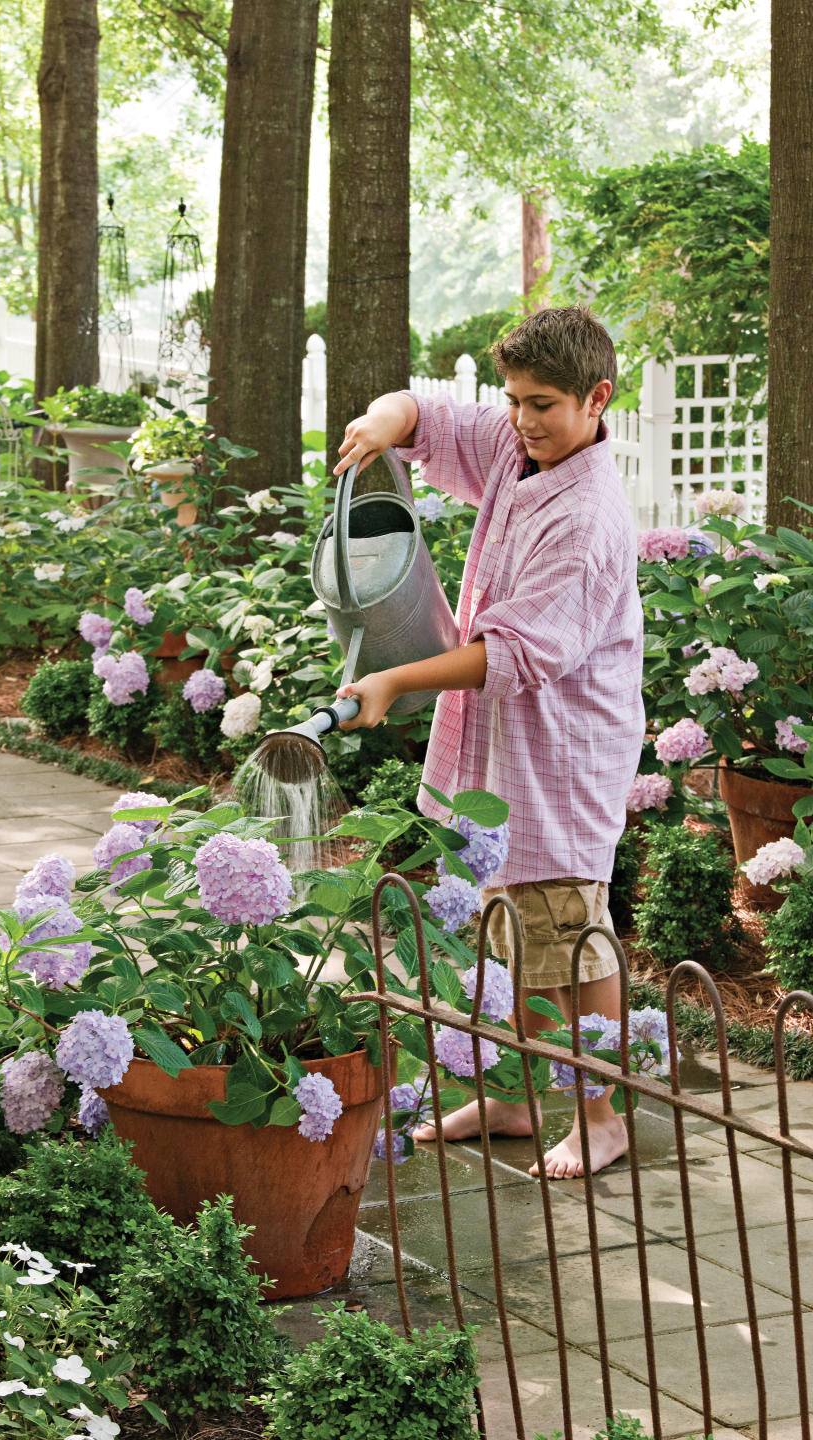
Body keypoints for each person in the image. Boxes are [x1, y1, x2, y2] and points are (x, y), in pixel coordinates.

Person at [331, 306, 644, 1179]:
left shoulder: (587, 520)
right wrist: (381, 424)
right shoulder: (519, 448)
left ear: (596, 399)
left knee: (566, 938)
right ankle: (512, 1098)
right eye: (512, 399)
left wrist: (394, 680)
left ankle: (602, 1115)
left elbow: (512, 654)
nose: (521, 418)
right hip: (500, 744)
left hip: (560, 753)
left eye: (542, 403)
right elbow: (425, 414)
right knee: (503, 925)